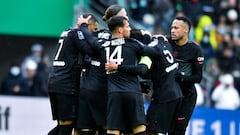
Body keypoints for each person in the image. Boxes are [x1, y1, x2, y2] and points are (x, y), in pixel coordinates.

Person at [78, 15, 150, 135]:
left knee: (112, 130)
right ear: (120, 29)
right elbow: (152, 52)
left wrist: (84, 26)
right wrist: (148, 36)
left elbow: (91, 40)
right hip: (132, 92)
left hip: (113, 94)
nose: (130, 29)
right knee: (138, 129)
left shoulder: (104, 46)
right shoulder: (132, 44)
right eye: (128, 26)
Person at [47, 14, 98, 135]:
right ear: (87, 24)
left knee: (62, 125)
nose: (94, 33)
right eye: (94, 29)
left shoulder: (67, 32)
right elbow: (91, 50)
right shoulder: (77, 34)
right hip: (66, 85)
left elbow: (77, 58)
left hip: (55, 82)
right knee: (66, 126)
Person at [168, 16, 204, 135]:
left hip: (186, 96)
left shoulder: (195, 50)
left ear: (186, 30)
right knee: (163, 128)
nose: (172, 30)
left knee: (178, 129)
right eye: (172, 27)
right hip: (169, 94)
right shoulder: (166, 44)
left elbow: (198, 77)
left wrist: (182, 78)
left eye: (176, 28)